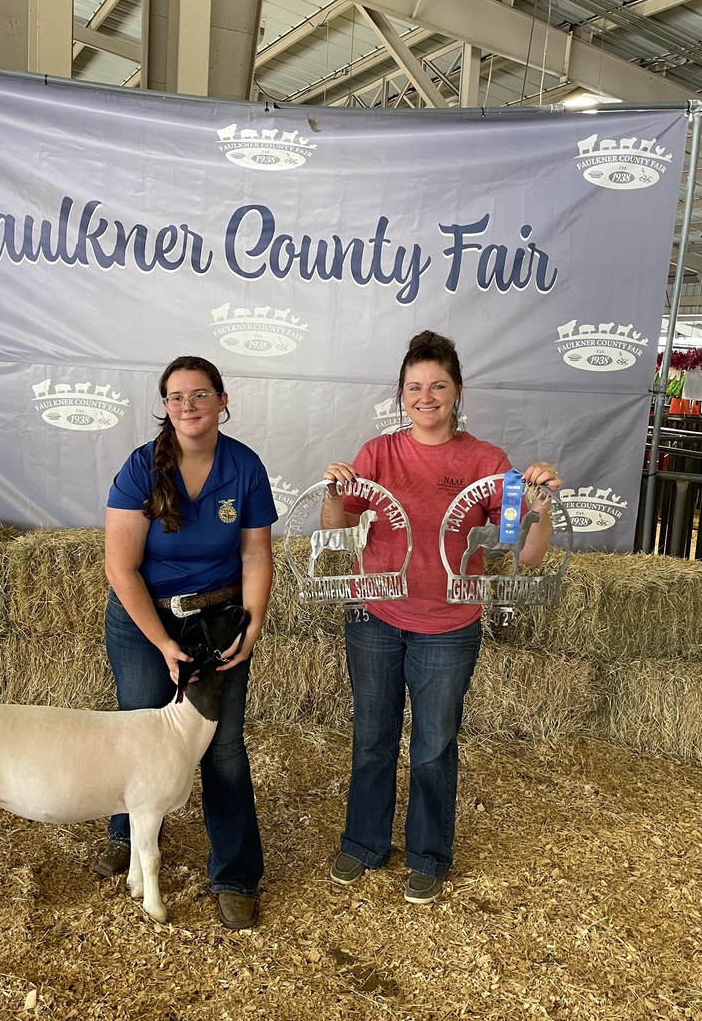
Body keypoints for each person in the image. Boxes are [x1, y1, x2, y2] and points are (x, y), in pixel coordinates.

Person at [321, 330, 561, 905]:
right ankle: (364, 843)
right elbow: (333, 534)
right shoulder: (377, 453)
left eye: (437, 386)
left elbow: (523, 555)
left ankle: (428, 854)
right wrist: (333, 490)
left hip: (449, 626)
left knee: (433, 745)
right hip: (375, 615)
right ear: (401, 394)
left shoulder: (488, 463)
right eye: (413, 387)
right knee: (372, 738)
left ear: (457, 392)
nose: (424, 397)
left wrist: (542, 510)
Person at [96, 355, 277, 930]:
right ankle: (129, 840)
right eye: (176, 397)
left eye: (200, 395)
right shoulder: (141, 468)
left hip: (218, 620)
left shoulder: (244, 467)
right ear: (165, 407)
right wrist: (162, 643)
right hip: (144, 619)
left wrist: (253, 622)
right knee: (140, 728)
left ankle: (235, 874)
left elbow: (254, 552)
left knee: (222, 746)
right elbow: (120, 567)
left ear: (223, 401)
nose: (188, 407)